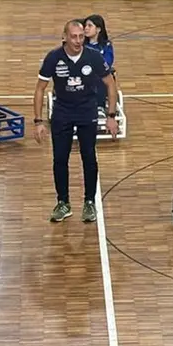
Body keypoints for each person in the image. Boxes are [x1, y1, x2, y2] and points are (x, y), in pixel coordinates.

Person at [33, 19, 118, 223]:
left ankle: (89, 202)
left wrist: (111, 116)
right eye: (74, 36)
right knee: (59, 159)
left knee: (89, 157)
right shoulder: (53, 58)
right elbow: (40, 88)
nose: (78, 40)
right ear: (64, 37)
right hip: (62, 112)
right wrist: (38, 121)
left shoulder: (94, 57)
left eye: (81, 36)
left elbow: (110, 84)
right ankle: (63, 202)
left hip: (87, 112)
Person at [83, 14, 115, 111]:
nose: (86, 28)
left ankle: (99, 107)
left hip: (98, 74)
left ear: (98, 29)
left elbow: (108, 61)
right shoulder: (81, 45)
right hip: (83, 73)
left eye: (89, 26)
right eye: (85, 26)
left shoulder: (106, 45)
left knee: (101, 78)